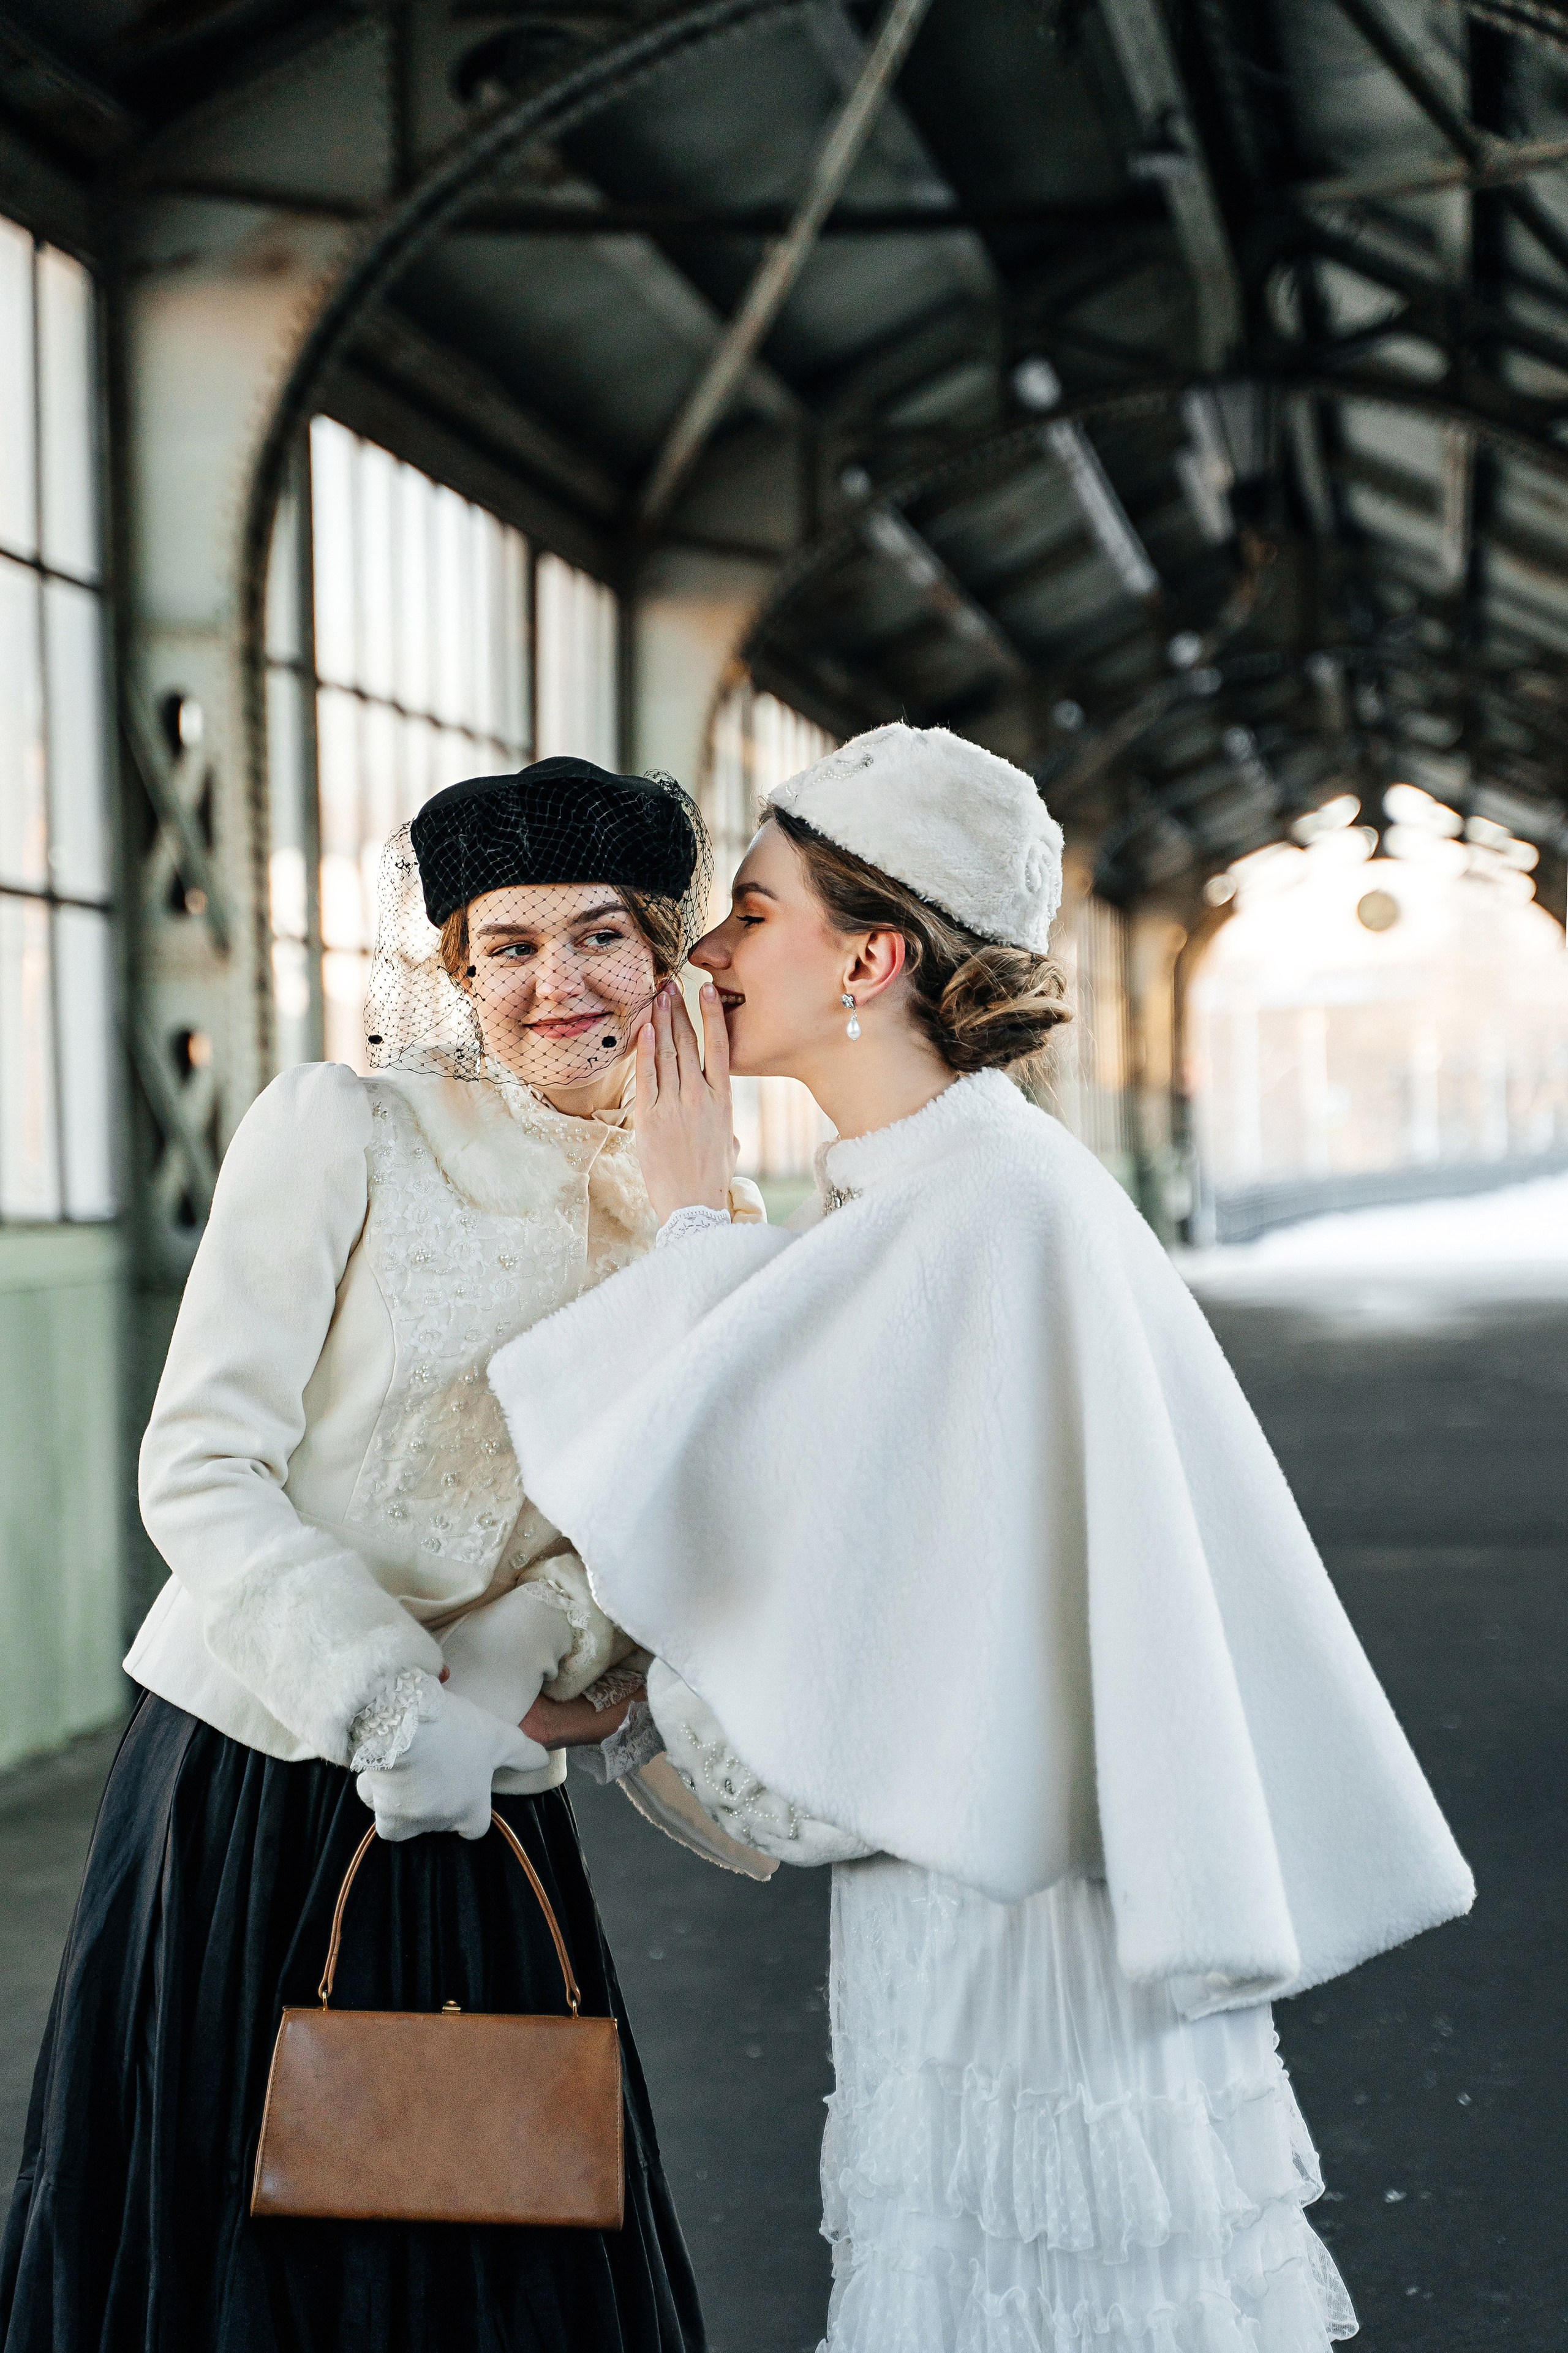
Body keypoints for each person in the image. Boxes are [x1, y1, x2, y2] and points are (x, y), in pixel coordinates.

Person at [488, 723, 1476, 2353]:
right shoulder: (945, 1188)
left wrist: (682, 1207)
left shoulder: (978, 1209)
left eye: (749, 911)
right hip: (989, 1899)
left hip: (1014, 1931)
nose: (705, 955)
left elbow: (820, 1598)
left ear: (870, 956)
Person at [0, 755, 761, 2353]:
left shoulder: (703, 1205)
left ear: (672, 950)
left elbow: (655, 1519)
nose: (558, 983)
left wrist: (517, 1659)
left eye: (602, 934)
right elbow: (199, 1464)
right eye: (508, 946)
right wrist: (389, 1697)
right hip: (261, 1767)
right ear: (454, 970)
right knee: (250, 2242)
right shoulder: (346, 1128)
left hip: (486, 1798)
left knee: (495, 2212)